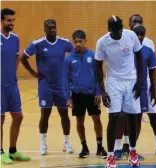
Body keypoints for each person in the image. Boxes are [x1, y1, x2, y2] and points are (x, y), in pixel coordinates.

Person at [114, 14, 156, 160]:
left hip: (144, 86)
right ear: (129, 24)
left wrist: (153, 89)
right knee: (124, 117)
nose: (137, 24)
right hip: (126, 85)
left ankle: (155, 145)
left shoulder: (149, 44)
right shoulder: (123, 41)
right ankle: (122, 147)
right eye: (134, 22)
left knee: (149, 115)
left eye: (140, 22)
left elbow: (151, 67)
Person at [95, 15, 143, 168]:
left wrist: (140, 81)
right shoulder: (102, 42)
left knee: (133, 117)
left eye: (120, 28)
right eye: (114, 29)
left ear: (123, 27)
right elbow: (97, 66)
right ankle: (110, 157)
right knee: (114, 117)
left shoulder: (131, 36)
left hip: (131, 80)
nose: (118, 32)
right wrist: (102, 91)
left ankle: (132, 152)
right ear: (109, 29)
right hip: (113, 81)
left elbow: (139, 57)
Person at [20, 19, 74, 155]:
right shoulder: (37, 44)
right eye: (49, 28)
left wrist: (70, 73)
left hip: (61, 86)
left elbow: (74, 55)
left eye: (54, 28)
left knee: (64, 114)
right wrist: (33, 73)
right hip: (45, 86)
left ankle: (67, 141)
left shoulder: (64, 43)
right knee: (45, 115)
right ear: (44, 29)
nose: (52, 30)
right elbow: (22, 57)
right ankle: (43, 143)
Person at [62, 30, 107, 159]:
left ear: (85, 41)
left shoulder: (93, 56)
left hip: (92, 94)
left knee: (96, 119)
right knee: (79, 120)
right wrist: (68, 97)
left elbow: (100, 76)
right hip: (77, 95)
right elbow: (65, 79)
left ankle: (99, 146)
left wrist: (99, 92)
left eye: (80, 41)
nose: (78, 44)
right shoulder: (68, 59)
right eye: (75, 42)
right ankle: (84, 147)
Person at [1, 8, 31, 164]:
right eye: (8, 20)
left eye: (13, 20)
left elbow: (16, 57)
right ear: (2, 21)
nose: (11, 23)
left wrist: (13, 74)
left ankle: (12, 150)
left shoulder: (15, 39)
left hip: (12, 84)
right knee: (0, 118)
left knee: (18, 117)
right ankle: (0, 152)